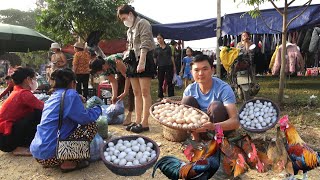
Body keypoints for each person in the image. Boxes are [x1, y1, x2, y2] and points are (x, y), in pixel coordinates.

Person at [30, 68, 102, 172]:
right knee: (91, 125)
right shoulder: (70, 94)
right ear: (73, 83)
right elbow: (85, 119)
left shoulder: (54, 95)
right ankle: (69, 163)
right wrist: (98, 109)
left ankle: (58, 159)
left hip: (38, 153)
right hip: (51, 155)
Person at [166, 54, 239, 141]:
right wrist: (169, 102)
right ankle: (196, 138)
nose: (200, 73)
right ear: (191, 72)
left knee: (215, 106)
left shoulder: (223, 89)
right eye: (196, 70)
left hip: (219, 128)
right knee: (187, 100)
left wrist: (213, 127)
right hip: (199, 128)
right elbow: (182, 107)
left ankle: (216, 139)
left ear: (212, 70)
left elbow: (235, 122)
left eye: (205, 69)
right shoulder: (190, 89)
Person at [117, 5, 156, 133]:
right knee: (136, 92)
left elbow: (146, 42)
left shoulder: (143, 23)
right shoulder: (129, 30)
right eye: (122, 19)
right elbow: (131, 46)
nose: (124, 21)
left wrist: (142, 61)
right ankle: (138, 120)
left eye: (124, 18)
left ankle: (145, 122)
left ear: (130, 13)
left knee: (145, 92)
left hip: (144, 58)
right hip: (132, 60)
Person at [0, 67, 44, 155]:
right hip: (6, 140)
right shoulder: (23, 94)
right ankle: (17, 147)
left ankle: (21, 144)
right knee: (38, 113)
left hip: (4, 138)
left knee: (34, 113)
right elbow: (45, 107)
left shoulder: (17, 91)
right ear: (28, 79)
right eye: (34, 79)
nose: (35, 81)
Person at [90, 54, 134, 126]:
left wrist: (125, 92)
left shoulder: (116, 61)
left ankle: (130, 114)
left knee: (131, 89)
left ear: (102, 66)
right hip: (121, 73)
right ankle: (118, 114)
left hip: (130, 70)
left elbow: (127, 76)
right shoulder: (105, 69)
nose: (101, 73)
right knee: (118, 93)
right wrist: (114, 95)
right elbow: (113, 81)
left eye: (100, 71)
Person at [154, 33, 175, 101]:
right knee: (160, 81)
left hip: (169, 65)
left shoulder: (168, 47)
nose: (159, 40)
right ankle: (160, 96)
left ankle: (171, 96)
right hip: (160, 66)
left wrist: (174, 66)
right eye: (158, 39)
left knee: (169, 81)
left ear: (163, 39)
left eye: (160, 38)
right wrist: (155, 66)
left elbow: (172, 57)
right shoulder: (156, 48)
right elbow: (155, 58)